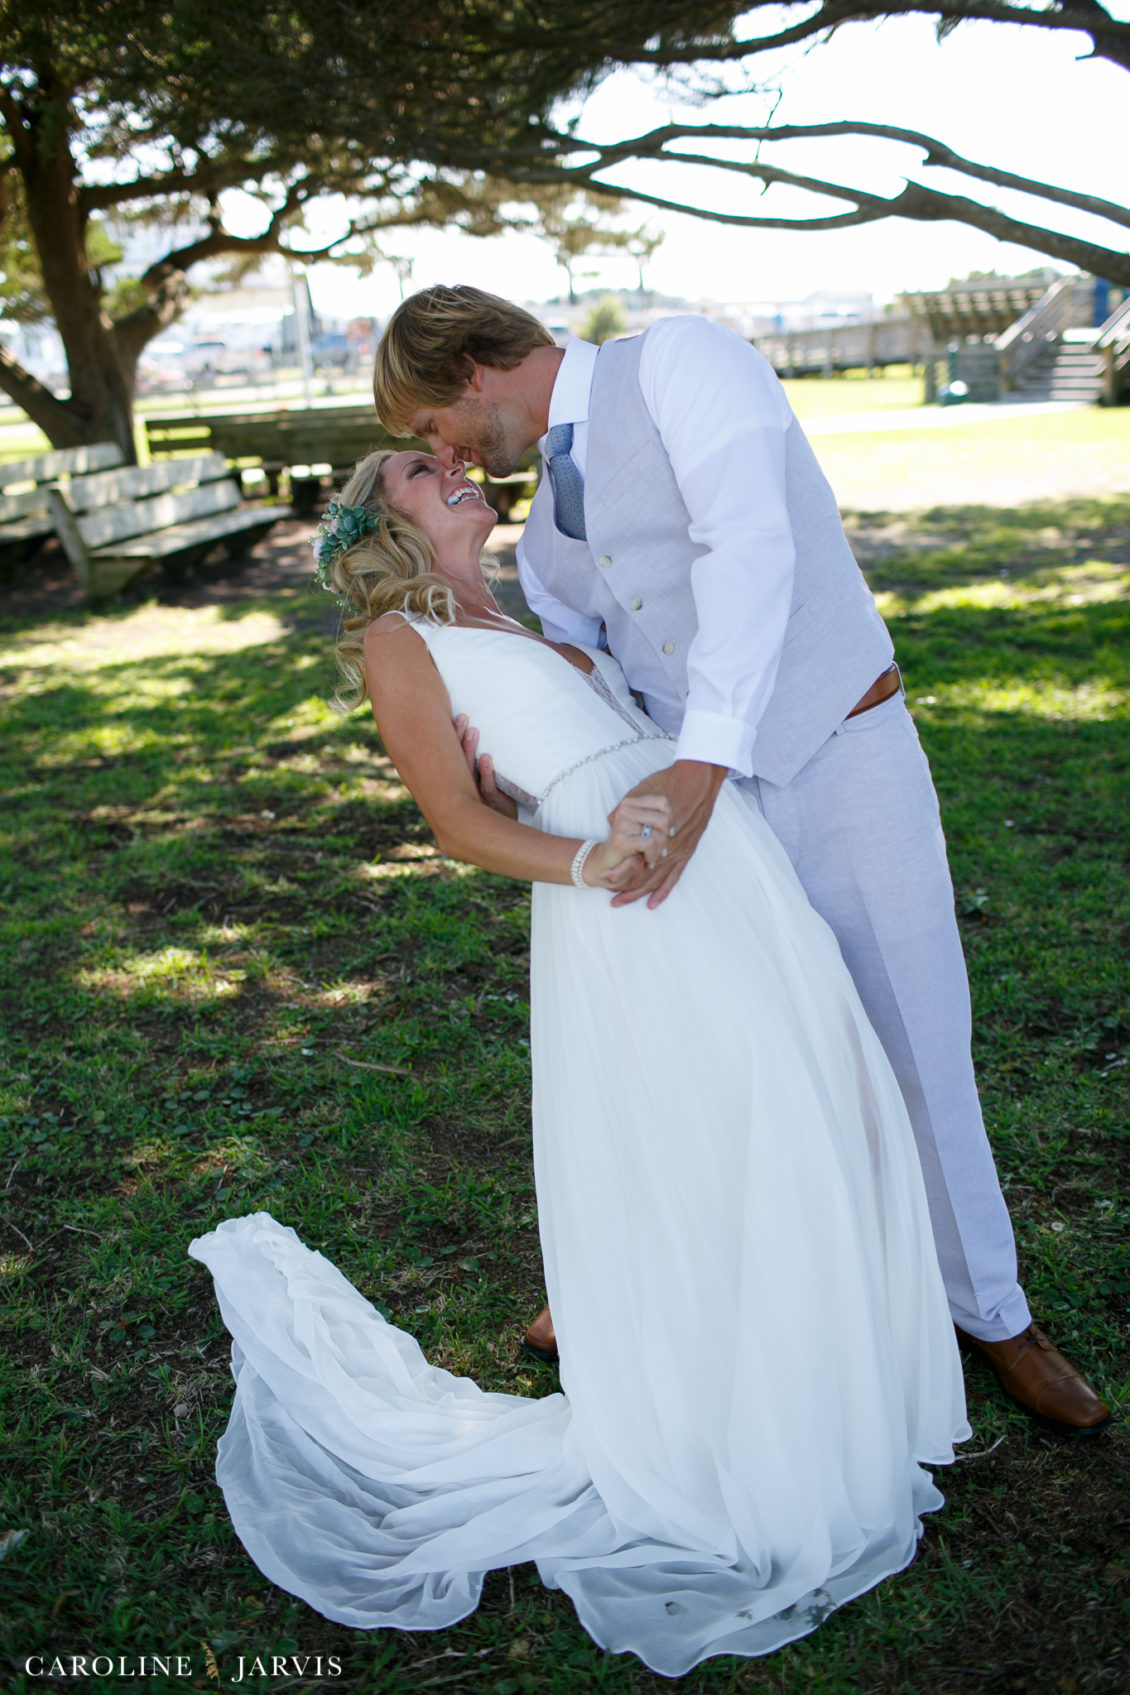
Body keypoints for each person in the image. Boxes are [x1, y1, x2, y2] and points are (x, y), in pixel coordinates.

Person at [191, 447, 970, 1675]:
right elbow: (453, 821)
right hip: (627, 902)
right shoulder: (405, 641)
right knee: (727, 1124)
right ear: (371, 517)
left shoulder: (533, 609)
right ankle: (740, 1431)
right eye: (413, 465)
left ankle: (821, 1398)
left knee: (803, 1101)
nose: (449, 465)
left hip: (725, 864)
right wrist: (585, 864)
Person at [370, 284, 1110, 1436]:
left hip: (836, 748)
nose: (442, 450)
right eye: (424, 453)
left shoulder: (683, 364)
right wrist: (508, 750)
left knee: (914, 1038)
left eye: (428, 425)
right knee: (753, 1045)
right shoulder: (547, 534)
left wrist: (705, 766)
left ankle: (993, 1315)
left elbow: (748, 550)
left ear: (469, 366)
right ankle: (715, 1282)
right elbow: (594, 677)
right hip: (699, 803)